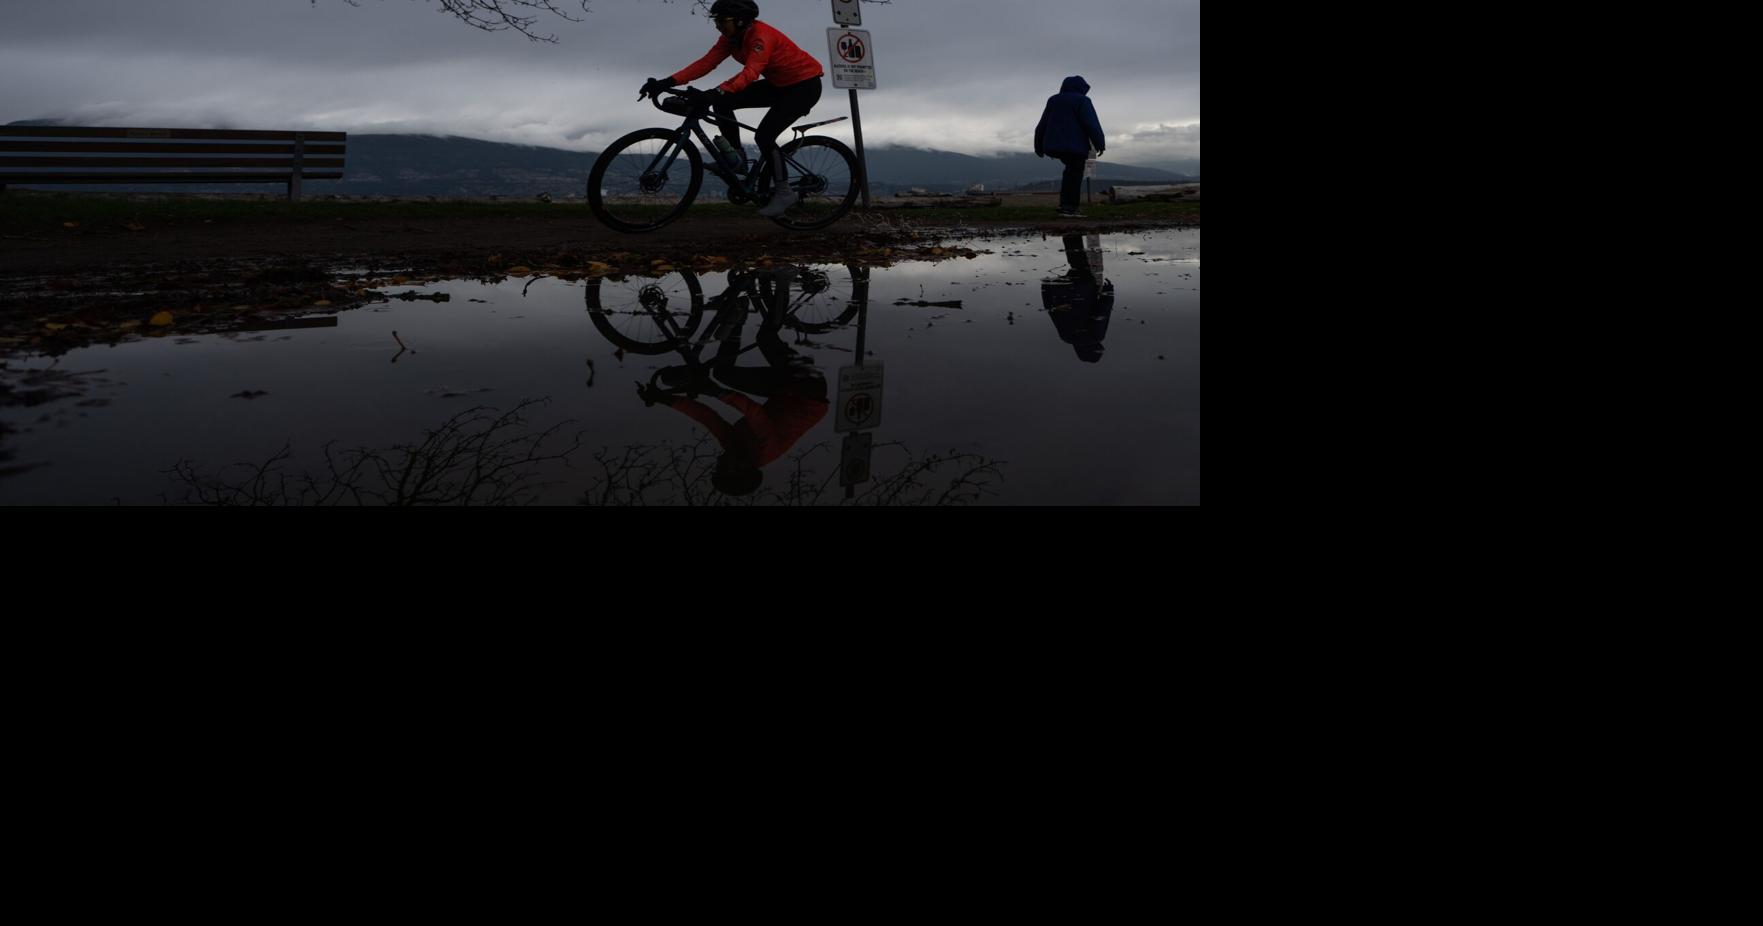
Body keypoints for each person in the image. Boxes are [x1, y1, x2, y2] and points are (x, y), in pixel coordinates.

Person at [638, 268, 829, 496]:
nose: (720, 462)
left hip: (784, 393)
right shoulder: (765, 450)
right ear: (739, 469)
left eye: (718, 467)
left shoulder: (734, 447)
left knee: (723, 372)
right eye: (722, 467)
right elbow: (754, 413)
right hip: (808, 389)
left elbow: (707, 418)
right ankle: (784, 281)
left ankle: (737, 314)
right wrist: (716, 392)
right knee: (766, 338)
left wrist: (664, 399)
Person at [639, 0, 825, 218]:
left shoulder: (760, 37)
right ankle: (736, 160)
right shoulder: (731, 38)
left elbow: (750, 73)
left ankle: (784, 193)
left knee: (764, 136)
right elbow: (706, 63)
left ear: (740, 20)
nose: (718, 26)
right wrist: (666, 82)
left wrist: (715, 91)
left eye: (722, 21)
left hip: (804, 86)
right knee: (723, 101)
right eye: (715, 21)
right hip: (779, 84)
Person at [1033, 76, 1107, 218]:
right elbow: (1091, 124)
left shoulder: (1053, 100)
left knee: (1070, 172)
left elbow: (1042, 124)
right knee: (1074, 173)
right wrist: (1100, 144)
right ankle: (1069, 208)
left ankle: (1066, 206)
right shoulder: (1082, 101)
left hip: (1053, 145)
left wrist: (1038, 146)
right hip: (1075, 145)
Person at [1042, 234, 1115, 362]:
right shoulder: (1066, 337)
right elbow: (1051, 310)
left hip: (1081, 290)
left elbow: (1102, 312)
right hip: (1059, 290)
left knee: (1081, 266)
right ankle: (1070, 236)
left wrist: (1109, 293)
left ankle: (1072, 235)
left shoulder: (1096, 337)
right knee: (1077, 264)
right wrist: (1046, 287)